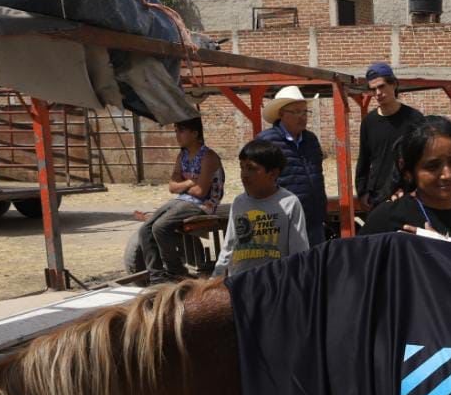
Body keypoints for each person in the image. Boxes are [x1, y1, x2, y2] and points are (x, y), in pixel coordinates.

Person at [359, 116, 451, 253]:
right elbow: (356, 268)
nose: (448, 174)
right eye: (433, 166)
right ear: (408, 171)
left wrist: (447, 250)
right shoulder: (386, 218)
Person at [138, 117, 225, 283]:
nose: (177, 135)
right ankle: (156, 276)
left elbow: (200, 192)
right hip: (182, 200)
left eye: (181, 131)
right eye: (176, 130)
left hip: (203, 204)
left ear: (194, 133)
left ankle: (176, 272)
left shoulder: (208, 156)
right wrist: (191, 181)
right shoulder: (182, 155)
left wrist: (183, 184)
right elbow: (172, 187)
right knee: (145, 230)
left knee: (160, 227)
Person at [213, 140, 308, 277]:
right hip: (242, 283)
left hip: (276, 284)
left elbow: (299, 252)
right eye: (242, 167)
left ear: (273, 174)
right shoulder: (239, 203)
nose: (244, 174)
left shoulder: (289, 203)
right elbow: (230, 246)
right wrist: (216, 278)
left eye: (251, 168)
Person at [256, 85, 327, 247]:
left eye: (304, 112)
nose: (302, 117)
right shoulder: (266, 142)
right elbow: (258, 182)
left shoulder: (311, 140)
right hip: (283, 219)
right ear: (281, 114)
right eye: (296, 112)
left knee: (316, 265)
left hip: (313, 217)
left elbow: (317, 175)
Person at [355, 62, 424, 209]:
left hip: (407, 195)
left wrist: (411, 189)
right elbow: (364, 160)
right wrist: (362, 192)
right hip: (377, 196)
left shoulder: (414, 119)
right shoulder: (369, 122)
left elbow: (422, 159)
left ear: (394, 84)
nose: (378, 93)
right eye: (373, 89)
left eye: (381, 86)